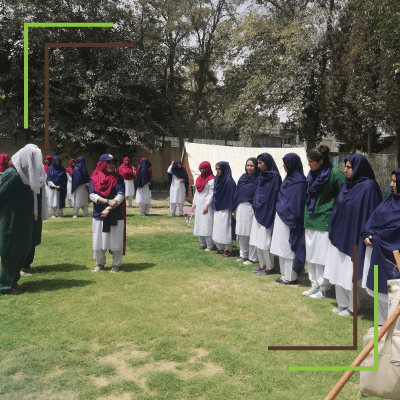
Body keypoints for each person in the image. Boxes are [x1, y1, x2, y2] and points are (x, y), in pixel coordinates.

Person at [324, 154, 382, 316]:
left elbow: (374, 213)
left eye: (349, 167)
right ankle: (342, 303)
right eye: (346, 167)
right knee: (339, 267)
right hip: (340, 232)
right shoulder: (347, 184)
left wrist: (368, 233)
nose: (345, 170)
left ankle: (352, 306)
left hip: (355, 233)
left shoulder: (369, 187)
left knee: (351, 270)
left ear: (358, 168)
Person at [302, 145, 345, 299]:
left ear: (321, 161)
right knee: (311, 256)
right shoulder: (312, 173)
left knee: (321, 256)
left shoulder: (335, 174)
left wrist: (334, 212)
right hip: (310, 218)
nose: (308, 164)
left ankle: (324, 288)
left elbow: (344, 196)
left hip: (324, 220)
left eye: (311, 161)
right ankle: (314, 284)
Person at [0, 145, 42, 295]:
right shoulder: (12, 174)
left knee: (19, 251)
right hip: (11, 222)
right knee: (10, 253)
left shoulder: (25, 175)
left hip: (22, 222)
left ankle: (13, 282)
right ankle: (4, 287)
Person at [361, 168, 400, 327]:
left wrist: (377, 237)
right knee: (380, 297)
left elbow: (396, 232)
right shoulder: (390, 200)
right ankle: (380, 331)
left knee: (394, 298)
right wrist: (367, 233)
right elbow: (374, 219)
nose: (391, 184)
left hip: (392, 258)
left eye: (395, 181)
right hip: (378, 253)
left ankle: (394, 334)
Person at [270, 153, 307, 284]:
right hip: (281, 216)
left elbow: (298, 202)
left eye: (286, 163)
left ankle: (291, 276)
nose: (283, 166)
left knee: (290, 247)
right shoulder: (288, 178)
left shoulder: (300, 181)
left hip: (291, 220)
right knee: (282, 246)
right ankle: (284, 274)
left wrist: (293, 220)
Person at [89, 154, 126, 273]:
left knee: (116, 240)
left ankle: (116, 264)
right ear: (102, 164)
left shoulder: (118, 178)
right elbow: (92, 195)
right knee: (98, 241)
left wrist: (109, 208)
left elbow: (120, 195)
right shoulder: (94, 179)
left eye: (113, 162)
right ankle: (100, 264)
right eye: (108, 162)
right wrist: (107, 201)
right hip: (99, 215)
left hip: (115, 214)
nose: (111, 165)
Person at [250, 153, 282, 275]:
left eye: (260, 163)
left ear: (267, 163)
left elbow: (276, 196)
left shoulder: (275, 177)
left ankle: (270, 267)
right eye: (258, 163)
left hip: (267, 212)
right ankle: (262, 264)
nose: (258, 166)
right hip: (258, 210)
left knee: (265, 240)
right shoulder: (261, 176)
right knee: (257, 239)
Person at [19, 145, 49, 275]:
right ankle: (21, 266)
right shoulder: (21, 170)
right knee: (25, 238)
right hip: (26, 211)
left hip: (37, 208)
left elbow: (41, 183)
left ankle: (27, 265)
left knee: (34, 236)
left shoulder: (39, 168)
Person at [232, 157, 260, 264]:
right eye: (248, 165)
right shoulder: (243, 178)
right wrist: (234, 208)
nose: (249, 168)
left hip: (251, 209)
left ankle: (252, 258)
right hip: (240, 208)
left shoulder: (259, 179)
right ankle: (243, 255)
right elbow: (236, 193)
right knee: (241, 232)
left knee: (251, 233)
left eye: (252, 166)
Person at [211, 162, 236, 257]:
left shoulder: (229, 181)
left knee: (226, 229)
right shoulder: (217, 179)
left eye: (219, 169)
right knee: (217, 228)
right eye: (216, 169)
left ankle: (227, 249)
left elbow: (233, 196)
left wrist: (233, 209)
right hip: (217, 207)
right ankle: (220, 248)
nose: (217, 171)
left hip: (226, 208)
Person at [192, 161, 215, 251]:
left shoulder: (211, 180)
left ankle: (210, 245)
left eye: (203, 169)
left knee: (206, 224)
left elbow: (211, 194)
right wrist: (194, 203)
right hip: (199, 204)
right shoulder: (199, 178)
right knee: (199, 223)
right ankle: (202, 243)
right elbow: (197, 192)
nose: (201, 171)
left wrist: (207, 205)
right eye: (200, 169)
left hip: (206, 205)